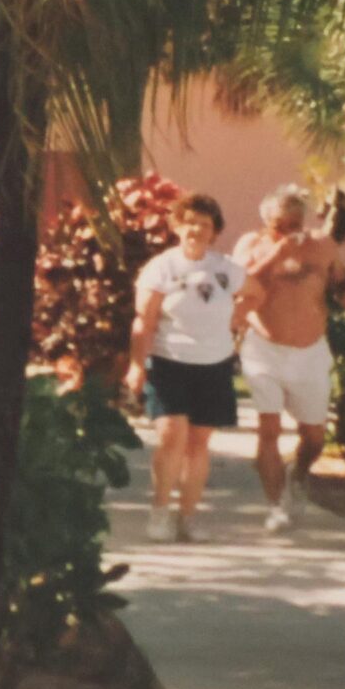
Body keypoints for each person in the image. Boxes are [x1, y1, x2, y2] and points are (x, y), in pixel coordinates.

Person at [125, 192, 259, 542]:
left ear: (214, 232)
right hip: (171, 363)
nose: (195, 230)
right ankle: (159, 512)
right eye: (189, 223)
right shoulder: (161, 268)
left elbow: (258, 293)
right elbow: (144, 320)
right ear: (177, 226)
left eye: (204, 224)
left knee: (199, 444)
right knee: (172, 437)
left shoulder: (225, 268)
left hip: (214, 365)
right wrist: (137, 366)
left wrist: (237, 315)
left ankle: (188, 518)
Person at [233, 184, 345, 532]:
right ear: (267, 224)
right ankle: (276, 506)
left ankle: (299, 473)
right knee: (269, 430)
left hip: (310, 352)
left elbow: (341, 283)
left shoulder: (322, 246)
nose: (291, 232)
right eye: (282, 225)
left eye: (296, 224)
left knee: (315, 436)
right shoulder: (250, 246)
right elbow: (240, 284)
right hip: (264, 350)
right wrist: (277, 253)